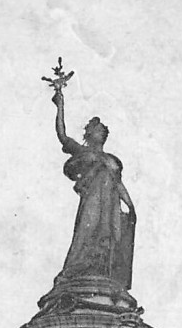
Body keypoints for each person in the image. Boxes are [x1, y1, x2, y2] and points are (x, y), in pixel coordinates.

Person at [51, 89, 136, 288]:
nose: (101, 131)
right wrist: (60, 105)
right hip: (92, 201)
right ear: (90, 133)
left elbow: (119, 184)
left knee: (108, 238)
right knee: (86, 233)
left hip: (109, 206)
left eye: (103, 130)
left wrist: (131, 205)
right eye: (97, 129)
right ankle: (76, 270)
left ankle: (100, 272)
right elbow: (62, 135)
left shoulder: (112, 160)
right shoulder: (83, 151)